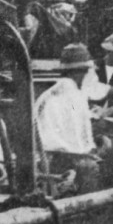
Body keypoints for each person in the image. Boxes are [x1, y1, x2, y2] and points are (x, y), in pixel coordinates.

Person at [35, 43, 101, 194]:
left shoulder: (48, 95)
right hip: (65, 163)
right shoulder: (75, 97)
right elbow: (80, 145)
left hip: (45, 162)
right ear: (82, 73)